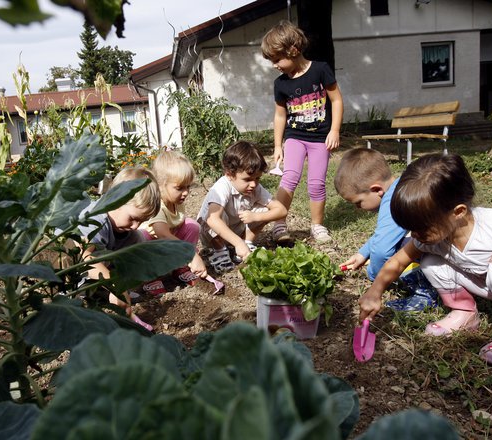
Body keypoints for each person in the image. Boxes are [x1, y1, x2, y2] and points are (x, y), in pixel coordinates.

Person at [358, 153, 492, 366]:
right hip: (490, 284)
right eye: (410, 229)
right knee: (429, 262)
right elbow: (397, 262)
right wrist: (374, 292)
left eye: (420, 228)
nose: (414, 235)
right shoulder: (430, 237)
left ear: (458, 212)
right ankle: (464, 311)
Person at [261, 20, 344, 245]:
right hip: (295, 137)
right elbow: (280, 116)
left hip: (320, 139)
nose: (274, 65)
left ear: (293, 50)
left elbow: (336, 100)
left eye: (277, 59)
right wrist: (278, 145)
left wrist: (335, 130)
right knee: (289, 178)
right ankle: (279, 225)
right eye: (272, 61)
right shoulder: (281, 84)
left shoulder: (320, 69)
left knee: (316, 183)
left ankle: (317, 225)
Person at [334, 148, 438, 312]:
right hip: (445, 245)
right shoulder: (402, 186)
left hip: (448, 257)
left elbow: (382, 250)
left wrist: (374, 274)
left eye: (358, 202)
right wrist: (363, 253)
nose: (358, 208)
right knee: (403, 243)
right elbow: (386, 235)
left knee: (398, 250)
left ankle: (425, 294)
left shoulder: (393, 202)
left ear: (376, 189)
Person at [77, 167, 161, 331]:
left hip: (102, 268)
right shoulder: (95, 219)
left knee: (138, 239)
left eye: (141, 221)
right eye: (132, 218)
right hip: (69, 269)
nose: (135, 225)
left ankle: (106, 293)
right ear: (115, 200)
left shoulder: (129, 231)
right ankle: (82, 293)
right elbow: (85, 258)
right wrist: (117, 288)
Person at [197, 141, 287, 273]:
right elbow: (212, 220)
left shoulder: (255, 188)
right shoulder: (222, 187)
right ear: (229, 175)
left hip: (235, 232)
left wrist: (256, 216)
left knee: (267, 209)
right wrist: (238, 243)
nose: (253, 184)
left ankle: (246, 243)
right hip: (212, 234)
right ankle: (219, 250)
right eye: (247, 179)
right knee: (216, 214)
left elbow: (281, 210)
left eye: (258, 178)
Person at [139, 150, 207, 295]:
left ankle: (179, 267)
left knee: (192, 226)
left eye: (188, 187)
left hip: (167, 243)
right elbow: (163, 234)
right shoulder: (157, 205)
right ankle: (150, 277)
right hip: (151, 246)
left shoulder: (176, 200)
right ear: (161, 185)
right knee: (142, 236)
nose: (186, 192)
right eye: (179, 188)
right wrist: (191, 255)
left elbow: (176, 226)